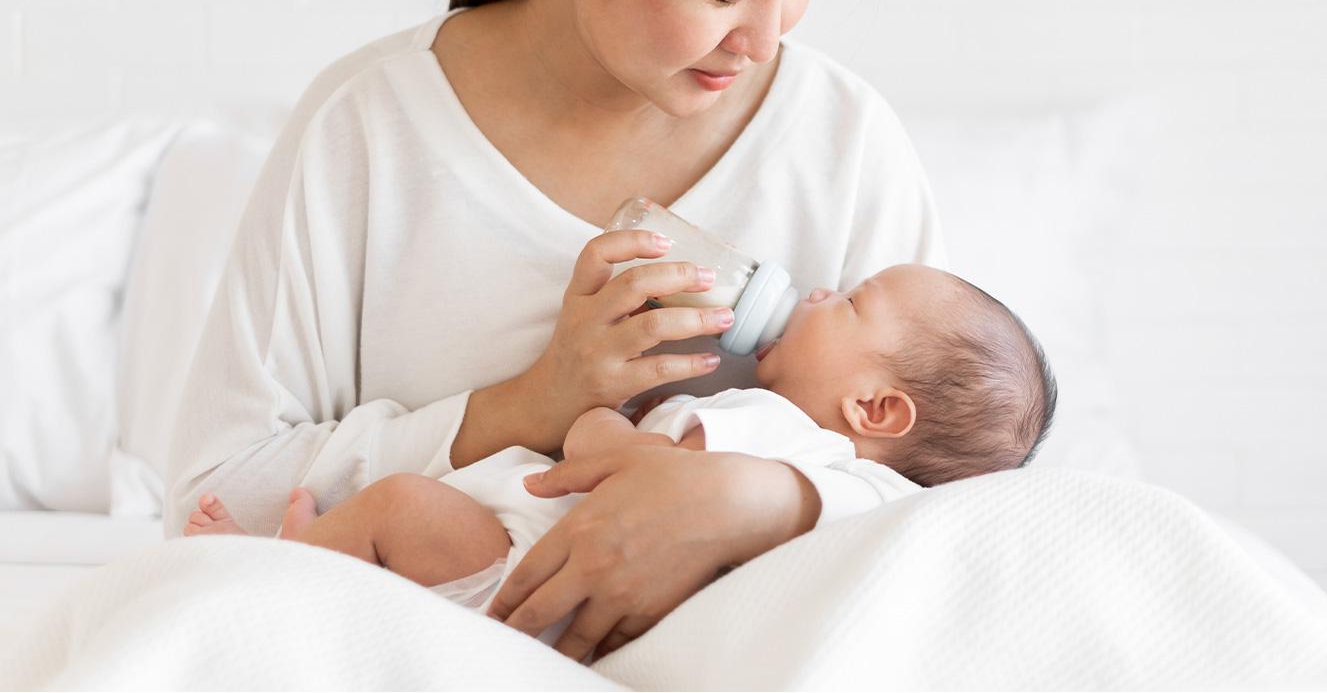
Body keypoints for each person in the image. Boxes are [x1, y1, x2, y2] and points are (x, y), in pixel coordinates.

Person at [165, 0, 947, 663]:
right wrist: (534, 402)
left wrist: (758, 500)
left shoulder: (845, 142)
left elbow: (948, 506)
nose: (766, 39)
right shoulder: (367, 127)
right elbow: (216, 495)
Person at [183, 265, 1057, 654]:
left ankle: (280, 588)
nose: (823, 290)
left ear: (875, 407)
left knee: (398, 508)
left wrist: (600, 416)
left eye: (854, 301)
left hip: (526, 571)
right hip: (542, 592)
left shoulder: (774, 432)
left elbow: (629, 472)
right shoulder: (823, 474)